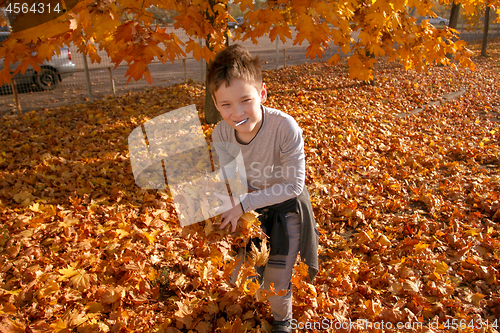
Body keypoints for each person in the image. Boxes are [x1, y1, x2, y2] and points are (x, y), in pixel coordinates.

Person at [207, 44, 319, 333]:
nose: (237, 112)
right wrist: (221, 200)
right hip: (251, 211)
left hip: (286, 207)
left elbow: (293, 185)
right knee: (241, 274)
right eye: (226, 104)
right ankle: (261, 290)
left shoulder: (285, 128)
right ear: (216, 104)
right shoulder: (220, 132)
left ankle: (283, 320)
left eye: (246, 100)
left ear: (262, 94)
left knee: (278, 280)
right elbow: (231, 177)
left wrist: (243, 202)